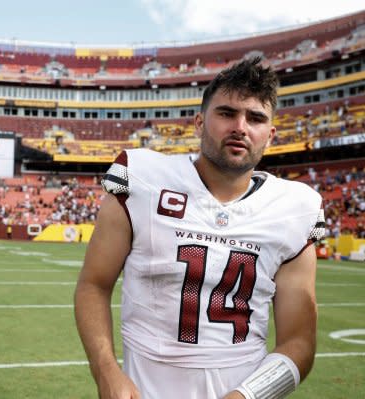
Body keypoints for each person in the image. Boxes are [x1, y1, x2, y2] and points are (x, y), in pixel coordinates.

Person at [74, 57, 325, 399]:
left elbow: (299, 341)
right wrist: (106, 372)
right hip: (145, 389)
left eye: (255, 118)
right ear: (198, 122)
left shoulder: (296, 208)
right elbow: (93, 285)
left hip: (242, 386)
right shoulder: (144, 178)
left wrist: (249, 396)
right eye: (226, 113)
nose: (240, 126)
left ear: (270, 135)